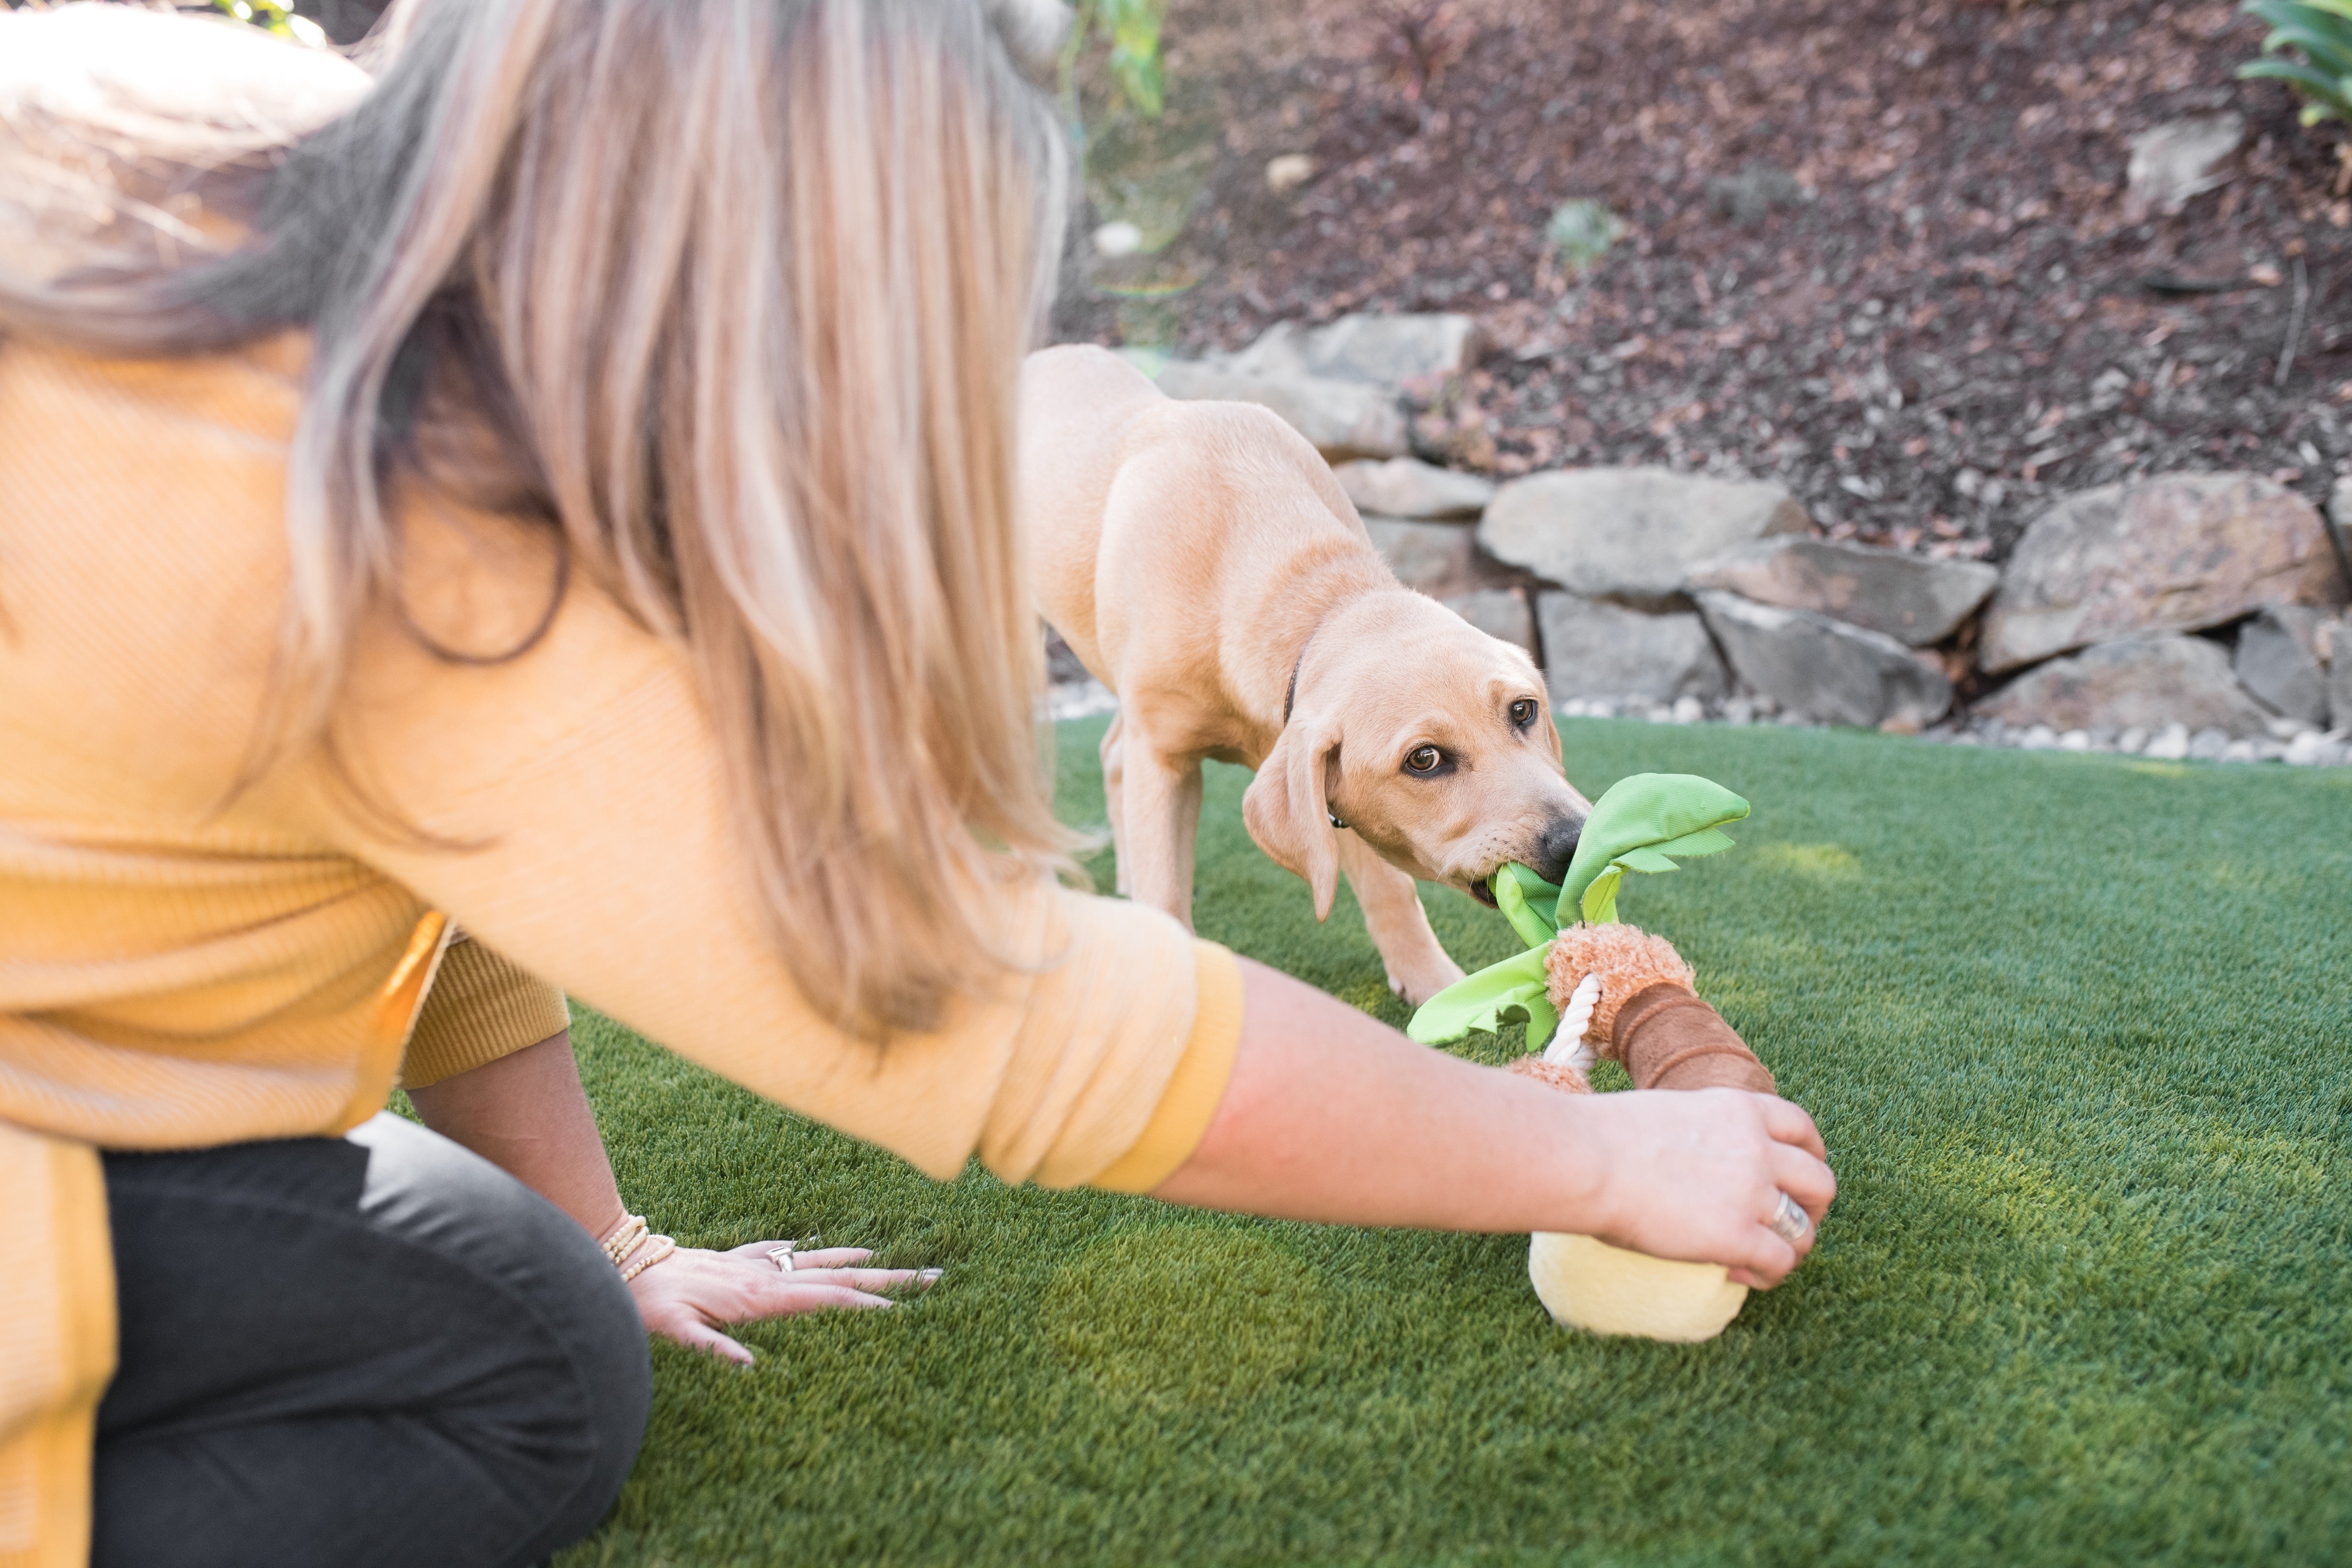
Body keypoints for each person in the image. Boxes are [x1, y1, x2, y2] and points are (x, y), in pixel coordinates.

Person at [0, 4, 1835, 1567]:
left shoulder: (159, 116)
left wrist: (611, 1230)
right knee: (535, 1402)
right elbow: (994, 1015)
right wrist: (1593, 1152)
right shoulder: (457, 534)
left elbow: (442, 853)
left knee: (549, 1314)